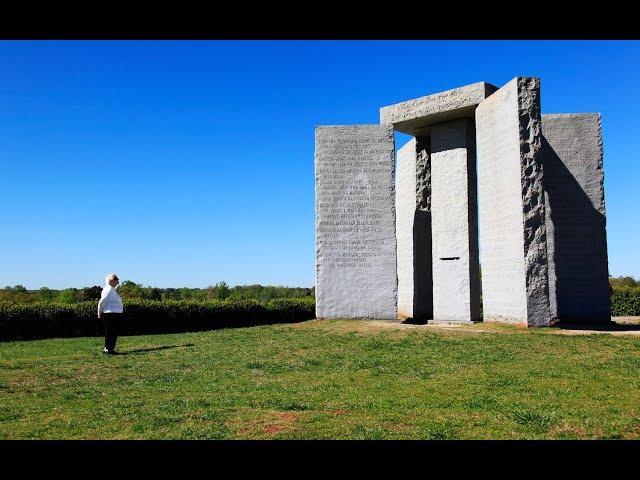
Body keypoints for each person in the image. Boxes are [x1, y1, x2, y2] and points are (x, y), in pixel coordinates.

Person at [98, 273, 123, 355]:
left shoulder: (111, 289)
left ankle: (109, 348)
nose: (118, 282)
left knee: (112, 332)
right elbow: (102, 302)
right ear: (111, 281)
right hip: (109, 314)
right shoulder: (109, 289)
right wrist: (99, 312)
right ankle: (108, 349)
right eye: (116, 280)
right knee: (110, 332)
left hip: (112, 314)